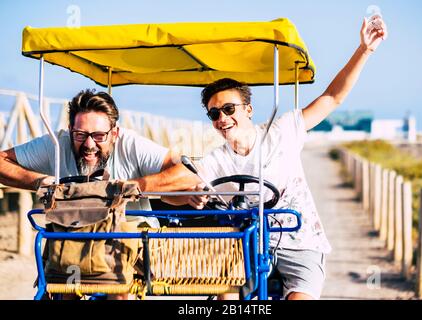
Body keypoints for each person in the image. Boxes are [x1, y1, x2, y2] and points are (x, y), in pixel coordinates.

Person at [164, 16, 388, 300]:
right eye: (214, 113)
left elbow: (332, 98)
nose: (222, 118)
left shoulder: (282, 132)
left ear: (248, 110)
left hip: (300, 240)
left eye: (229, 109)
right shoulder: (215, 161)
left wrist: (364, 50)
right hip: (246, 245)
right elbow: (171, 194)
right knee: (226, 297)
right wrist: (189, 196)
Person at [0, 89, 200, 299]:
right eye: (80, 135)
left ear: (114, 133)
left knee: (120, 287)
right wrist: (40, 181)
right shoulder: (57, 144)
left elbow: (188, 173)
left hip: (130, 235)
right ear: (70, 130)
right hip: (74, 235)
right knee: (65, 286)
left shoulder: (131, 145)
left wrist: (135, 185)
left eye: (98, 136)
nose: (89, 144)